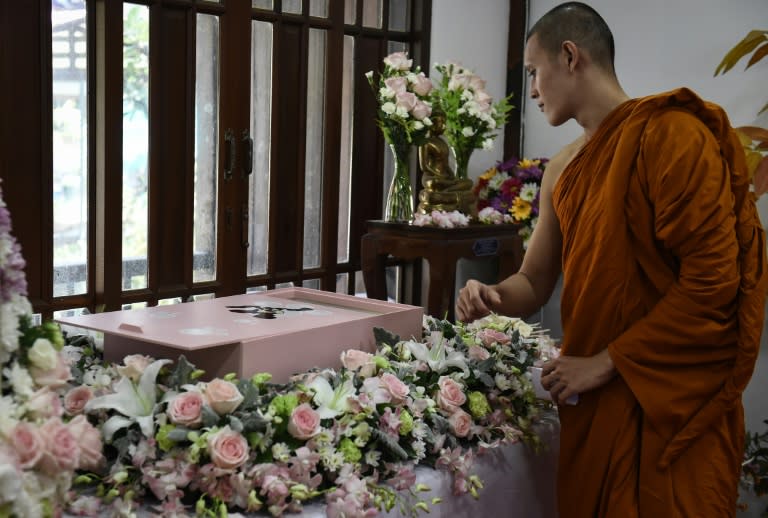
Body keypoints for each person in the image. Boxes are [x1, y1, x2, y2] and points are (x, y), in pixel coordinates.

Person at [455, 2, 768, 517]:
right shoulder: (562, 169)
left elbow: (715, 282)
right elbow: (533, 280)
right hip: (596, 403)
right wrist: (492, 297)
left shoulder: (672, 136)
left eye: (534, 72)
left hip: (668, 397)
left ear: (570, 56)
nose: (532, 90)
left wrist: (606, 363)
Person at [416, 110, 475, 215]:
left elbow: (446, 164)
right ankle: (452, 195)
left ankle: (446, 193)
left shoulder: (442, 142)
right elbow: (424, 166)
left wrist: (451, 177)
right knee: (433, 184)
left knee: (468, 183)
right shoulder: (425, 143)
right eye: (440, 122)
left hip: (445, 179)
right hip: (432, 177)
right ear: (431, 124)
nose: (443, 126)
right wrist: (438, 176)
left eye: (444, 123)